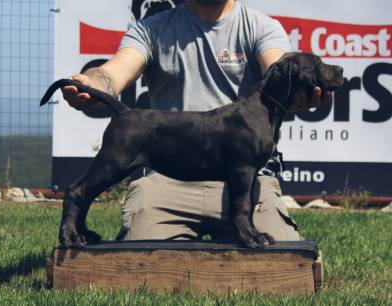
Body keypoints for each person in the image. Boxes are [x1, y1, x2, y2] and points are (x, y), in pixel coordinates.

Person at [62, 0, 330, 243]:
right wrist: (92, 85)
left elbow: (278, 69)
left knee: (282, 259)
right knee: (142, 264)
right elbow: (112, 73)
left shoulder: (261, 27)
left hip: (245, 184)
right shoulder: (152, 28)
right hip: (167, 182)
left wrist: (302, 85)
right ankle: (75, 226)